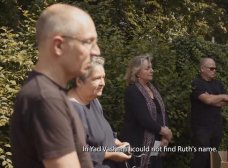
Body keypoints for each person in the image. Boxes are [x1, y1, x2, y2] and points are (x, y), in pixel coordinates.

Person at [10, 3, 100, 168]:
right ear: (58, 46)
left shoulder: (49, 93)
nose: (96, 52)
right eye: (88, 42)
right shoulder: (45, 98)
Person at [67, 56, 131, 168]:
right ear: (79, 81)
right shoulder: (70, 110)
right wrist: (110, 154)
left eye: (103, 77)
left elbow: (104, 134)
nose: (103, 83)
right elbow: (74, 153)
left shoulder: (94, 101)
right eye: (97, 78)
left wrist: (119, 144)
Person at [119, 54, 173, 168]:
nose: (152, 71)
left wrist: (165, 137)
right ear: (137, 72)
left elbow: (162, 112)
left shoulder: (153, 89)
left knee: (156, 165)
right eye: (148, 68)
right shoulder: (132, 91)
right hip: (138, 140)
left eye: (151, 68)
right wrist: (164, 131)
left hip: (157, 140)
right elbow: (144, 119)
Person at [190, 57, 228, 168]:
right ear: (202, 69)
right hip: (201, 128)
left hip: (216, 126)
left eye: (215, 68)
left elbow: (225, 101)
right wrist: (217, 98)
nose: (214, 70)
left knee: (213, 157)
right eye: (211, 68)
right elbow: (207, 100)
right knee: (201, 157)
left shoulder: (217, 83)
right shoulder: (196, 83)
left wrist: (211, 98)